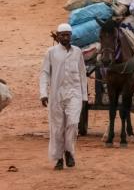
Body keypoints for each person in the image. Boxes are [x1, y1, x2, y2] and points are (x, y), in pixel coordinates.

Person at [40, 23, 87, 170]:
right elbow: (45, 73)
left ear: (71, 36)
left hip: (75, 94)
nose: (66, 38)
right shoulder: (51, 52)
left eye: (68, 35)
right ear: (58, 36)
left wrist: (84, 96)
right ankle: (58, 158)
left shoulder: (77, 52)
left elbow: (82, 74)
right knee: (57, 128)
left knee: (73, 123)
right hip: (56, 95)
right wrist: (43, 93)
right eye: (63, 35)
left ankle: (69, 151)